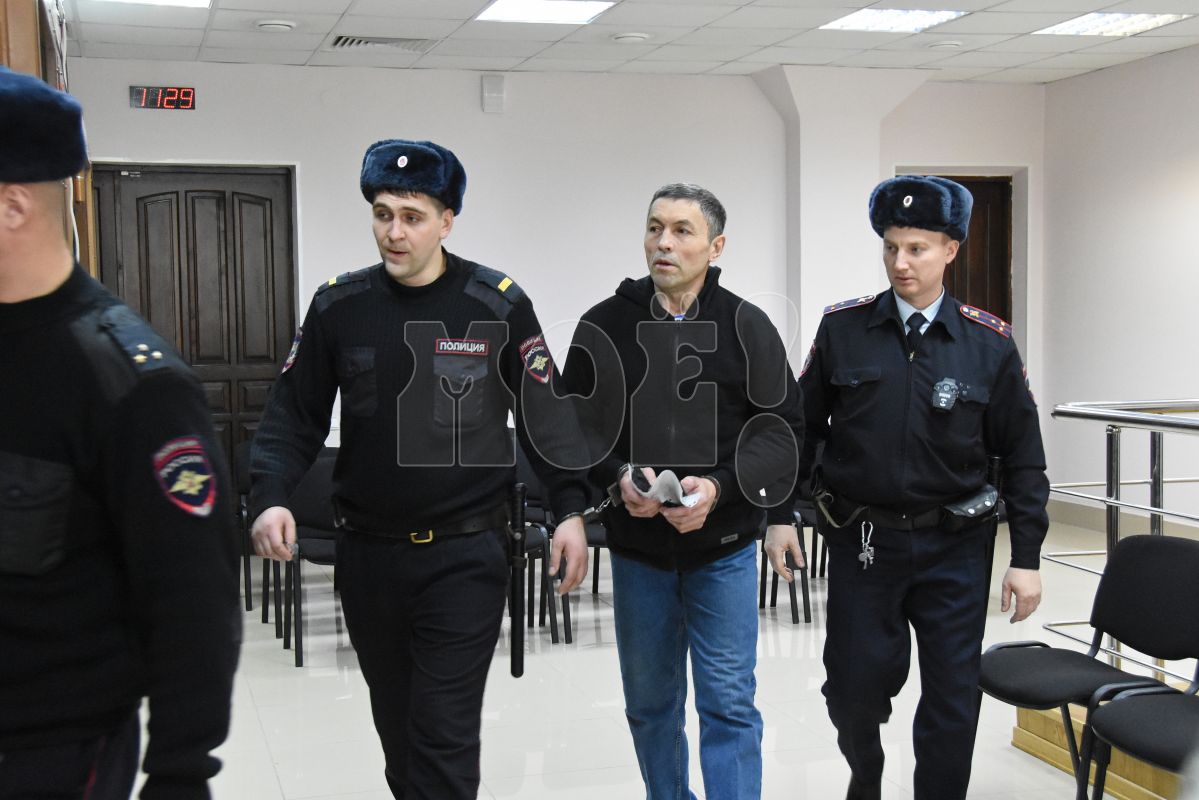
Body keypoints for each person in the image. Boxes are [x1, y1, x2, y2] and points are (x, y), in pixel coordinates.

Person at [249, 138, 591, 800]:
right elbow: (293, 415)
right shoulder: (339, 306)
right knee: (399, 735)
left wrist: (570, 509)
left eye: (412, 216)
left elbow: (547, 417)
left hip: (465, 554)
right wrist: (270, 495)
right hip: (368, 557)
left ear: (446, 220)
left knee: (442, 736)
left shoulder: (494, 303)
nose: (394, 232)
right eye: (383, 214)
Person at [0, 67, 241, 799]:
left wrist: (179, 775)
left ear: (11, 205)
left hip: (51, 751)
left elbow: (193, 602)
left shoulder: (129, 382)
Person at [767, 175, 1049, 800]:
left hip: (956, 547)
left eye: (917, 248)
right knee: (852, 688)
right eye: (891, 247)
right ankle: (865, 776)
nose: (901, 262)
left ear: (950, 250)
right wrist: (781, 514)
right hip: (865, 542)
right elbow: (801, 431)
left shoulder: (988, 343)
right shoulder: (843, 330)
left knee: (953, 697)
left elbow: (1024, 459)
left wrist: (1026, 557)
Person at [562, 183, 805, 800]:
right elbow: (576, 428)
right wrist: (618, 475)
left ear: (716, 246)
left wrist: (720, 488)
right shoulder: (604, 325)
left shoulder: (747, 326)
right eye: (654, 228)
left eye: (681, 230)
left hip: (722, 550)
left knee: (728, 703)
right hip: (638, 552)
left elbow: (781, 432)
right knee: (650, 706)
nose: (662, 243)